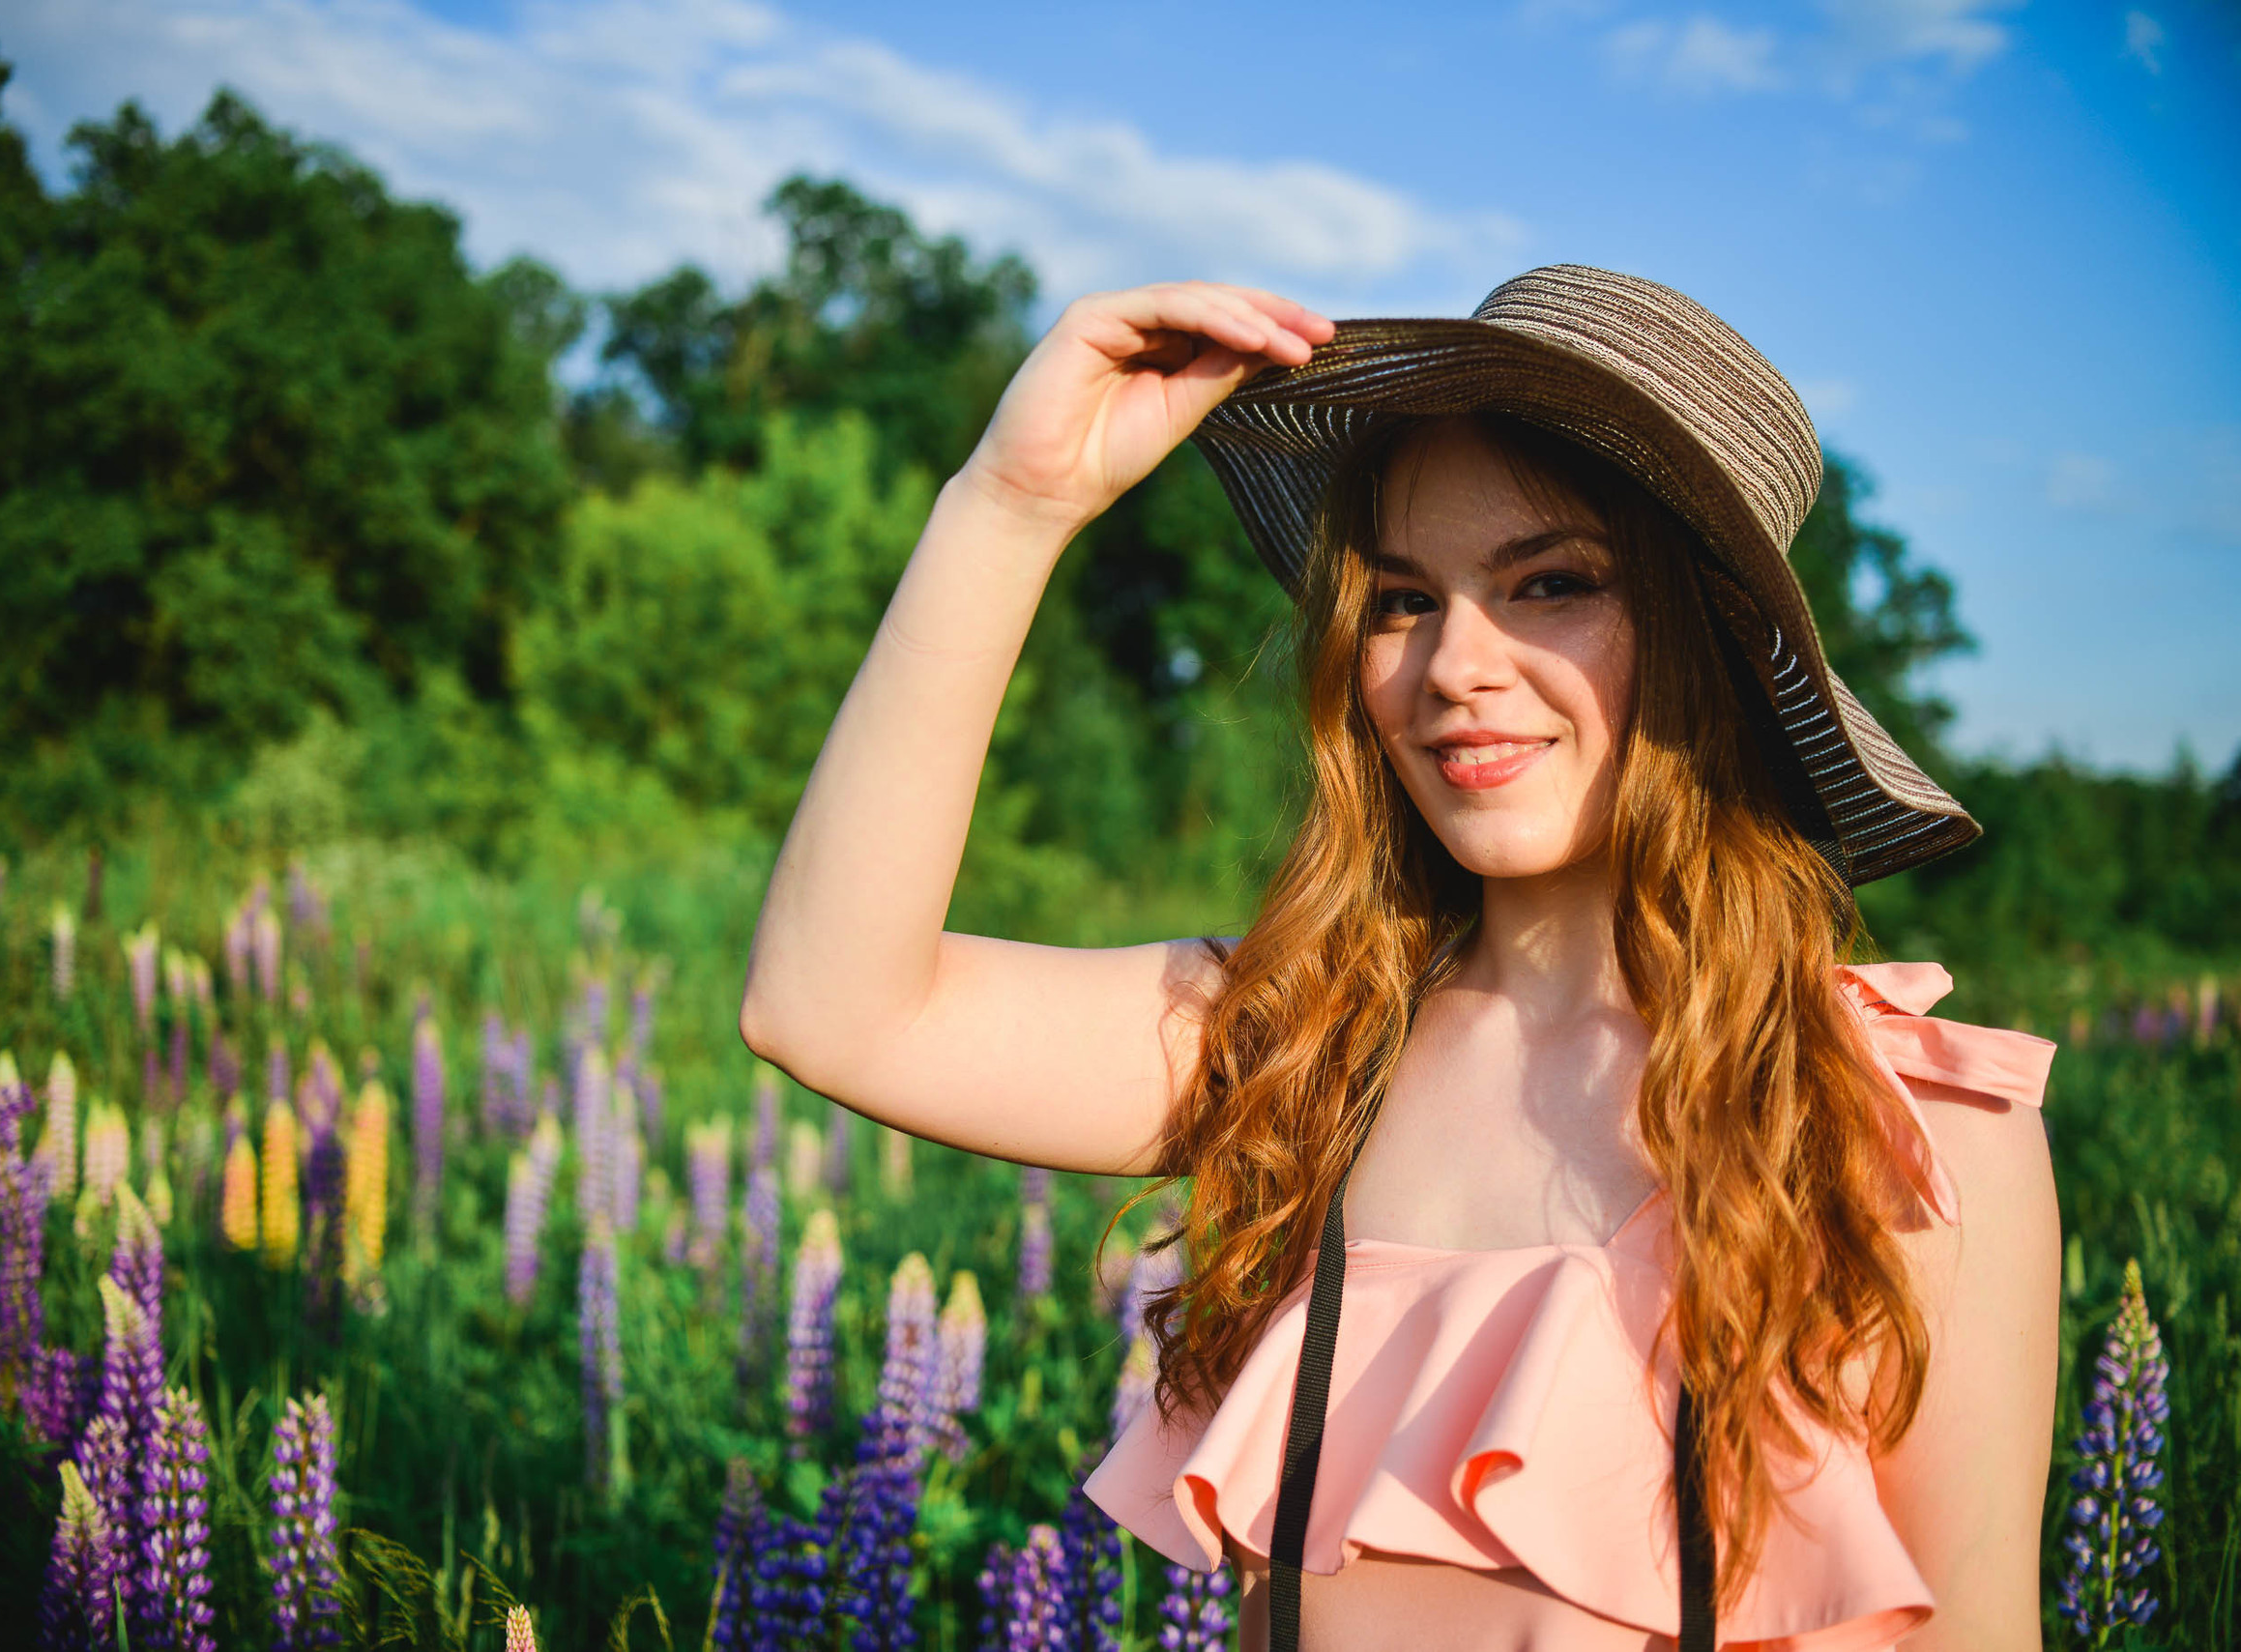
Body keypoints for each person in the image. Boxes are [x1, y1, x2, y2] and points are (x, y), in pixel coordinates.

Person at [740, 267, 2061, 1651]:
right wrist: (1010, 508)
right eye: (1402, 599)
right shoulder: (1307, 1044)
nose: (1452, 666)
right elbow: (829, 1005)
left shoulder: (1906, 1128)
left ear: (1708, 641)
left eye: (1551, 583)